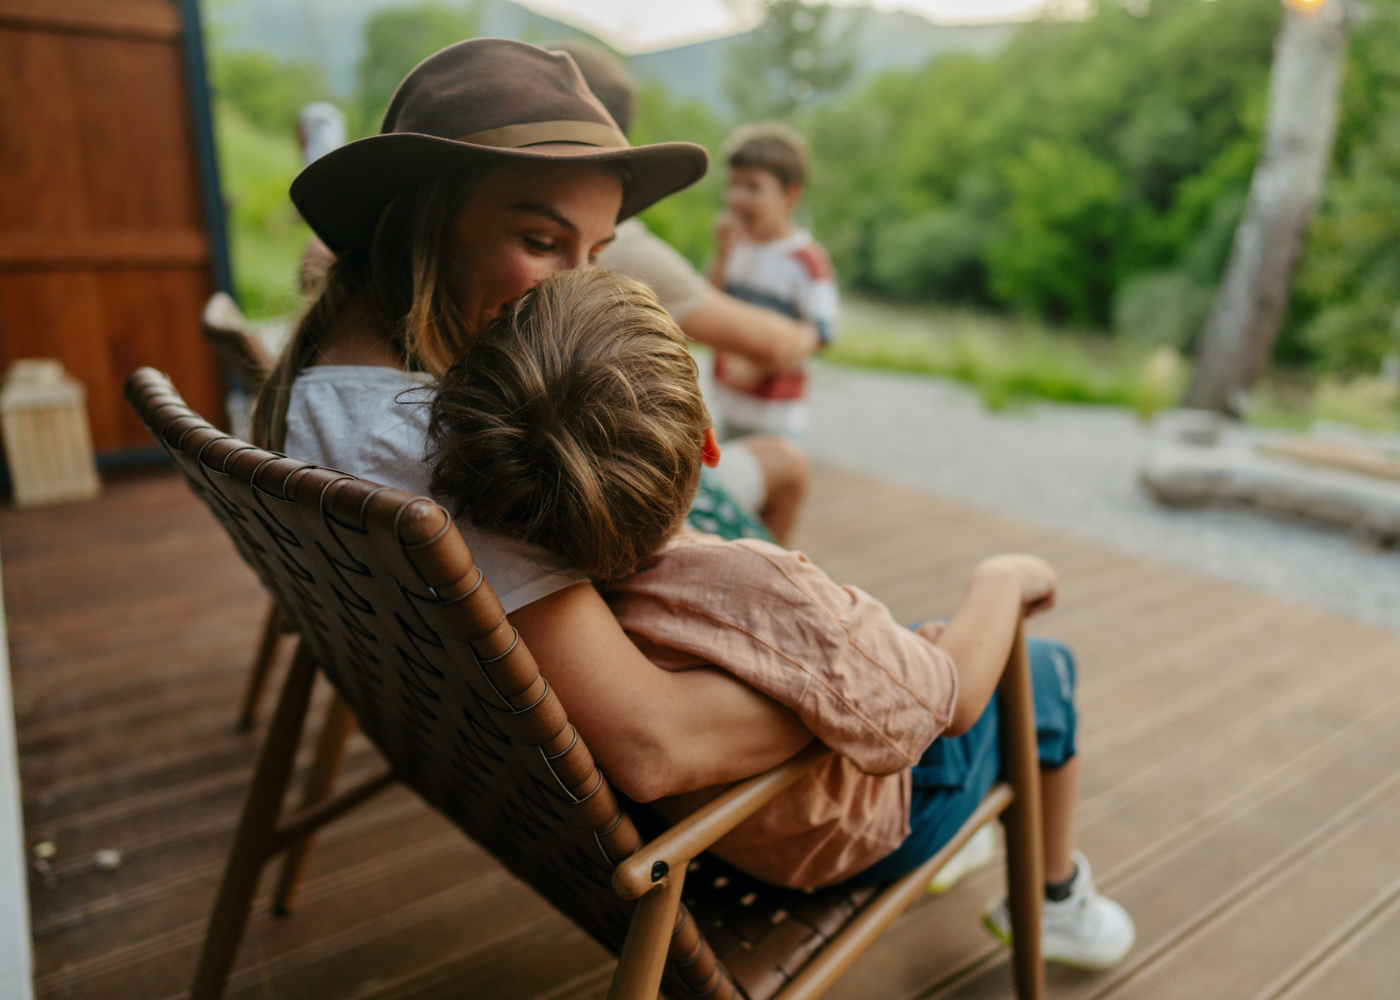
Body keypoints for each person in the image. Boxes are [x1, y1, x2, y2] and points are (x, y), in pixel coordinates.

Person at [425, 267, 1136, 968]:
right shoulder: (765, 590)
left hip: (731, 832)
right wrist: (1001, 579)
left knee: (927, 636)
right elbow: (952, 700)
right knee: (1041, 671)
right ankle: (1055, 897)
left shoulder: (548, 578)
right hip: (852, 834)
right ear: (709, 446)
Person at [252, 38, 817, 808]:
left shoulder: (337, 374)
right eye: (541, 243)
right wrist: (860, 687)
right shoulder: (456, 457)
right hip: (715, 820)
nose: (574, 291)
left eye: (597, 254)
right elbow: (656, 746)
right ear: (424, 225)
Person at [556, 41, 814, 545]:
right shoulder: (626, 246)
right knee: (787, 464)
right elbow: (772, 342)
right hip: (607, 487)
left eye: (752, 187)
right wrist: (807, 334)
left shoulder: (796, 257)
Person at [709, 122, 838, 443]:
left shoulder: (806, 259)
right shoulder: (736, 247)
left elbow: (820, 332)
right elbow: (708, 302)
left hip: (775, 417)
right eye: (733, 185)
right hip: (727, 406)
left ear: (790, 195)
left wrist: (763, 365)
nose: (737, 197)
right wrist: (721, 255)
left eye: (753, 187)